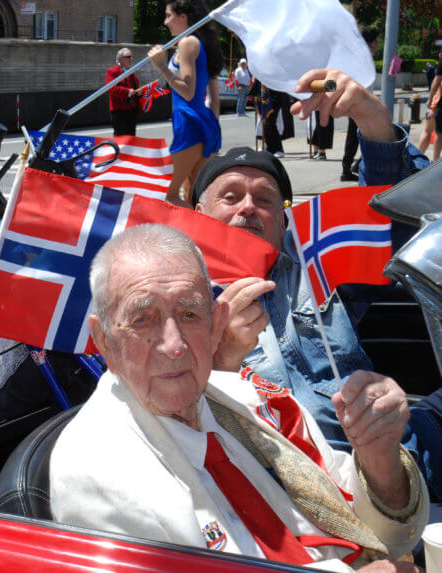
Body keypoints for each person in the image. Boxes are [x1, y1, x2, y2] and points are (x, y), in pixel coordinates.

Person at [50, 223, 428, 571]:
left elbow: (360, 516)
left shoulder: (258, 401)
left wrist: (378, 458)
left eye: (189, 314)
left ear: (215, 324)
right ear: (104, 342)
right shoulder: (93, 469)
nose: (174, 345)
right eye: (142, 319)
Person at [190, 68, 439, 501]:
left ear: (285, 221)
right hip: (283, 491)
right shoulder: (171, 291)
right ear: (197, 213)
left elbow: (402, 216)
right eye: (230, 196)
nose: (248, 206)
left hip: (396, 455)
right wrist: (219, 359)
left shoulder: (316, 258)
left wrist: (372, 120)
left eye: (265, 199)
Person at [148, 0, 223, 208]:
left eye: (169, 16)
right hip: (203, 124)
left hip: (189, 123)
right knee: (194, 196)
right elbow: (214, 98)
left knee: (170, 196)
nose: (165, 22)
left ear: (183, 17)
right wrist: (212, 130)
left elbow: (188, 92)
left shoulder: (188, 43)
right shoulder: (202, 44)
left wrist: (161, 65)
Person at [341, 28, 379, 181]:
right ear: (370, 43)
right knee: (361, 136)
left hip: (361, 104)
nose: (378, 44)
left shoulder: (363, 59)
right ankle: (350, 167)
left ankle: (353, 166)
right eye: (376, 41)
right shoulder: (361, 60)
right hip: (358, 104)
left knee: (361, 136)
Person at [105, 48, 142, 137]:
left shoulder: (132, 74)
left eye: (131, 57)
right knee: (120, 137)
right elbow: (111, 88)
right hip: (119, 111)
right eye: (128, 57)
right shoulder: (113, 71)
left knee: (131, 137)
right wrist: (128, 91)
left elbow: (136, 89)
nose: (131, 59)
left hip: (132, 110)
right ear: (120, 59)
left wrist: (140, 92)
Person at [417, 55, 442, 160]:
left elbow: (436, 81)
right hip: (438, 102)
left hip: (438, 101)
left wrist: (430, 99)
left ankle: (417, 159)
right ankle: (435, 162)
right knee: (438, 132)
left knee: (431, 131)